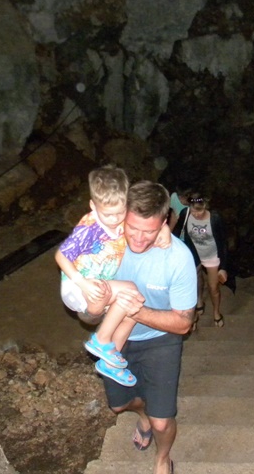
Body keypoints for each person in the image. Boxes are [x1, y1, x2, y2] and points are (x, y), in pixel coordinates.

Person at [101, 180, 197, 474]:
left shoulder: (178, 258)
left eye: (150, 230)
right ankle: (142, 413)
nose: (139, 239)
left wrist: (134, 310)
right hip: (116, 337)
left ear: (165, 222)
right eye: (133, 228)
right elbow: (87, 316)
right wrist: (96, 309)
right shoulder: (105, 245)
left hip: (161, 339)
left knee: (162, 421)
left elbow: (183, 323)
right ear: (122, 217)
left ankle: (162, 457)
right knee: (119, 405)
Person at [55, 165, 171, 387]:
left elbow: (144, 219)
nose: (114, 219)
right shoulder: (90, 228)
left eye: (120, 212)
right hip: (78, 287)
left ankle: (111, 360)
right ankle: (101, 340)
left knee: (132, 308)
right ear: (92, 205)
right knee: (131, 289)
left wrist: (163, 229)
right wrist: (82, 283)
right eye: (107, 214)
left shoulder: (120, 217)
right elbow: (61, 256)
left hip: (101, 285)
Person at [172, 191, 231, 329]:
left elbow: (223, 242)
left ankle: (216, 312)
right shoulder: (185, 213)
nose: (196, 214)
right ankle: (197, 306)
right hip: (194, 254)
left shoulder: (214, 218)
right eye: (194, 211)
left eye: (200, 211)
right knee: (192, 283)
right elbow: (176, 233)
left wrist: (223, 266)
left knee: (213, 287)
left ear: (205, 206)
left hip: (212, 255)